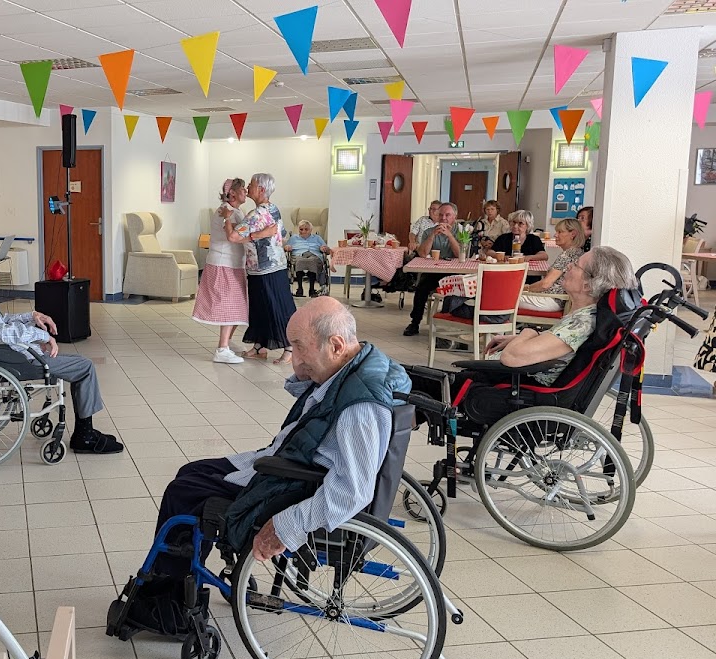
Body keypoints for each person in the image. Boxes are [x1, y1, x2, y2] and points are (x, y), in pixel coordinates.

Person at [139, 297, 410, 585]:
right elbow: (321, 406)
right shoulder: (361, 364)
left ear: (336, 345)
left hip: (292, 483)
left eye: (300, 347)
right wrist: (308, 370)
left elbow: (351, 492)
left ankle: (168, 600)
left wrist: (285, 526)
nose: (294, 358)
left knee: (182, 492)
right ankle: (183, 580)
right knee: (191, 473)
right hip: (293, 462)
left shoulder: (360, 406)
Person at [408, 247, 637, 421]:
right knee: (413, 378)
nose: (568, 267)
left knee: (411, 381)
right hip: (518, 382)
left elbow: (512, 358)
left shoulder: (581, 323)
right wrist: (524, 338)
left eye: (575, 265)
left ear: (589, 284)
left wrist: (526, 332)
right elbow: (551, 346)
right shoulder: (586, 316)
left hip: (519, 391)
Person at [0, 257, 124, 454]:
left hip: (8, 354)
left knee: (78, 362)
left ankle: (85, 432)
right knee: (84, 367)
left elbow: (1, 322)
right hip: (17, 359)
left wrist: (31, 316)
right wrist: (42, 335)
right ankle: (84, 436)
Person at [228, 173, 295, 364]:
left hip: (267, 269)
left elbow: (233, 237)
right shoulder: (274, 209)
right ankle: (260, 346)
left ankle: (290, 348)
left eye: (252, 184)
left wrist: (252, 233)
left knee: (276, 307)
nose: (248, 186)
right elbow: (281, 232)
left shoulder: (255, 215)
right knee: (260, 308)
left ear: (262, 190)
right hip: (263, 267)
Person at [193, 178, 252, 364]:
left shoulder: (235, 211)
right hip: (223, 264)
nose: (246, 191)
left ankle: (227, 342)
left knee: (238, 306)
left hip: (233, 264)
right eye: (242, 189)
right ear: (233, 193)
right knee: (230, 305)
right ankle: (222, 348)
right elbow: (236, 233)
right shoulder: (224, 212)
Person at [403, 202, 462, 337]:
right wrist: (432, 236)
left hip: (456, 272)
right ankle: (415, 322)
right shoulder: (429, 231)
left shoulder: (461, 232)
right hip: (435, 271)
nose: (443, 218)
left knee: (458, 290)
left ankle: (451, 324)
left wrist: (450, 236)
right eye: (440, 215)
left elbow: (460, 255)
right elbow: (423, 254)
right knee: (421, 287)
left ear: (455, 216)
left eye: (447, 215)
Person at [519, 218, 586, 312]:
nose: (555, 235)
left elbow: (545, 284)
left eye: (560, 232)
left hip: (552, 300)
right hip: (560, 300)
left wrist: (526, 288)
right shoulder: (578, 253)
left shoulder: (567, 255)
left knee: (507, 297)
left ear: (573, 234)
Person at [284, 219, 331, 297]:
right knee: (300, 261)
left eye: (306, 229)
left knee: (312, 261)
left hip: (314, 255)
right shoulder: (294, 238)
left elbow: (328, 251)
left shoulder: (317, 238)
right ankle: (300, 289)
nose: (303, 231)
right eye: (301, 229)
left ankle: (312, 289)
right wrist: (287, 247)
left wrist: (324, 248)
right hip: (299, 255)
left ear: (311, 230)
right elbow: (286, 248)